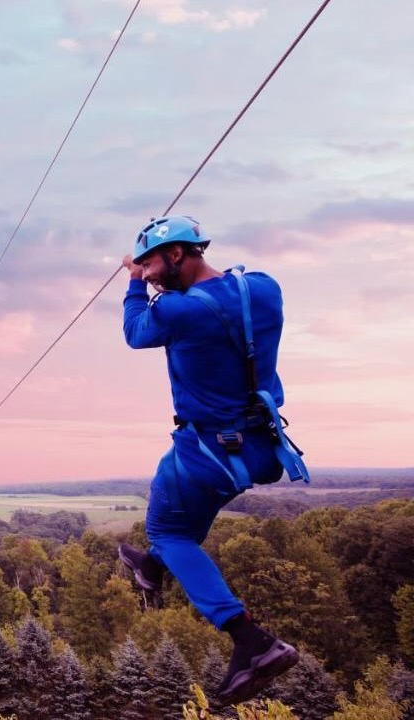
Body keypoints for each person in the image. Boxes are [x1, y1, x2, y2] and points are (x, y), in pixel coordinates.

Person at [116, 215, 309, 705]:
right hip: (262, 448)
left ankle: (253, 642)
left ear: (178, 254)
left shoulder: (179, 312)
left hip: (205, 454)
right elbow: (232, 287)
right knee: (185, 524)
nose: (152, 273)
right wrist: (148, 267)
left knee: (169, 532)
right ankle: (152, 569)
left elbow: (136, 332)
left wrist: (133, 282)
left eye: (154, 264)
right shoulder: (265, 289)